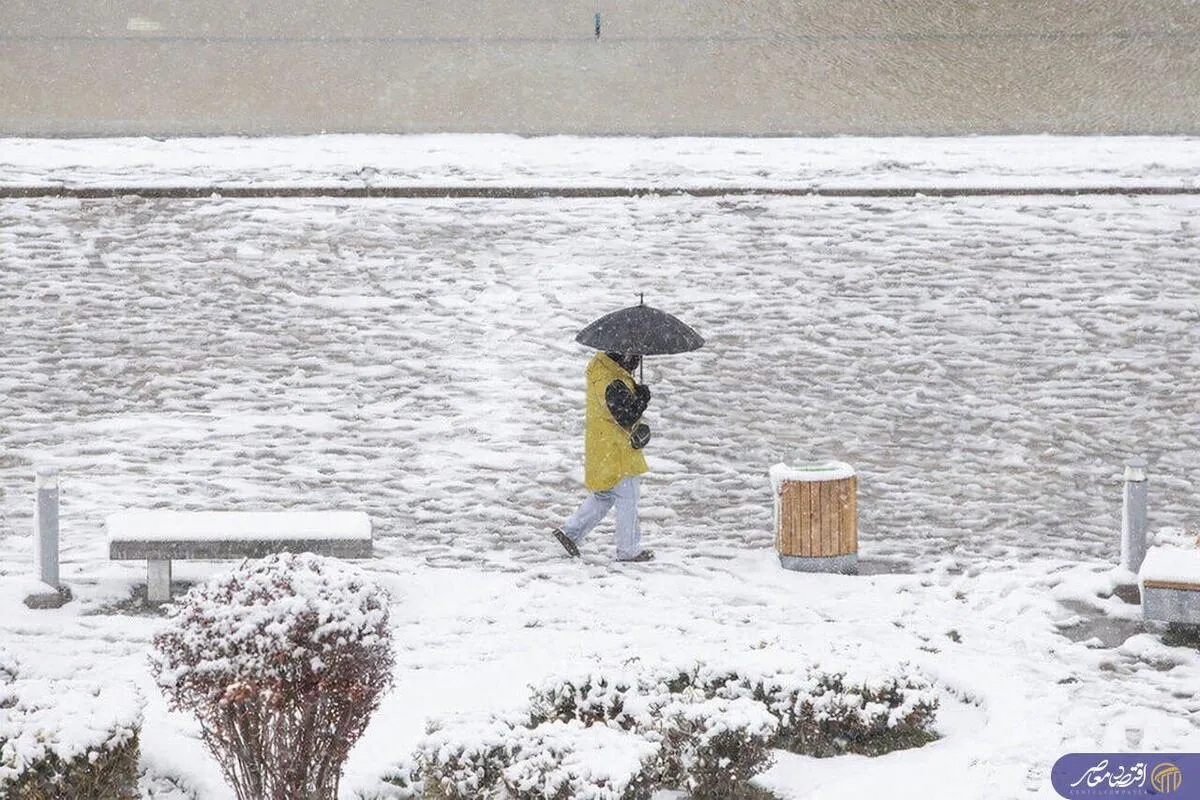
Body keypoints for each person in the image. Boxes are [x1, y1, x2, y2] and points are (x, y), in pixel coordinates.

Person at [552, 351, 655, 562]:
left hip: (603, 448)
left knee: (604, 495)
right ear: (623, 357)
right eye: (633, 358)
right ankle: (628, 550)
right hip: (618, 453)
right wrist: (642, 399)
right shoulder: (612, 382)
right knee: (628, 499)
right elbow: (626, 417)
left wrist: (634, 392)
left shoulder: (603, 371)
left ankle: (570, 533)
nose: (634, 364)